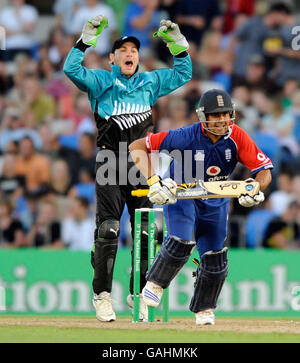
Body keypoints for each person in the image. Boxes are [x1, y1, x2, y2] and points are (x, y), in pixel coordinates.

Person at [63, 15, 192, 322]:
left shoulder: (150, 81)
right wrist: (84, 41)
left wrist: (177, 43)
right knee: (108, 229)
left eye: (133, 50)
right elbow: (70, 69)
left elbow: (184, 73)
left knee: (147, 231)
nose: (129, 53)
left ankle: (139, 295)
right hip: (110, 159)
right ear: (112, 58)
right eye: (122, 50)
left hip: (143, 162)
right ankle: (102, 295)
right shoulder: (101, 81)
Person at [129, 88, 273, 325]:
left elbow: (264, 171)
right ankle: (154, 283)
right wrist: (154, 181)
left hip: (216, 200)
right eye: (215, 115)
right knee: (181, 243)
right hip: (182, 196)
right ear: (203, 117)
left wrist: (256, 189)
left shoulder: (237, 137)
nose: (222, 120)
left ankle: (204, 308)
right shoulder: (186, 136)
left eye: (226, 114)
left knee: (215, 259)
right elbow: (136, 146)